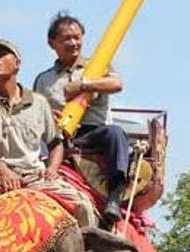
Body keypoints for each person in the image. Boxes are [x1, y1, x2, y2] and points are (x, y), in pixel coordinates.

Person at [0, 38, 96, 227]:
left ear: (17, 64)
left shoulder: (39, 102)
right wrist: (4, 172)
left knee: (82, 205)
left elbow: (55, 143)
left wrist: (52, 169)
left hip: (34, 175)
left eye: (1, 55)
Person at [33, 12, 129, 230]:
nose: (73, 42)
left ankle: (114, 198)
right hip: (61, 137)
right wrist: (50, 118)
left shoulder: (97, 66)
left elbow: (116, 84)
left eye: (77, 37)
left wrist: (83, 85)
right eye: (67, 38)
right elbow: (36, 113)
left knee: (115, 133)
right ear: (52, 43)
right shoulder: (44, 79)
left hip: (95, 132)